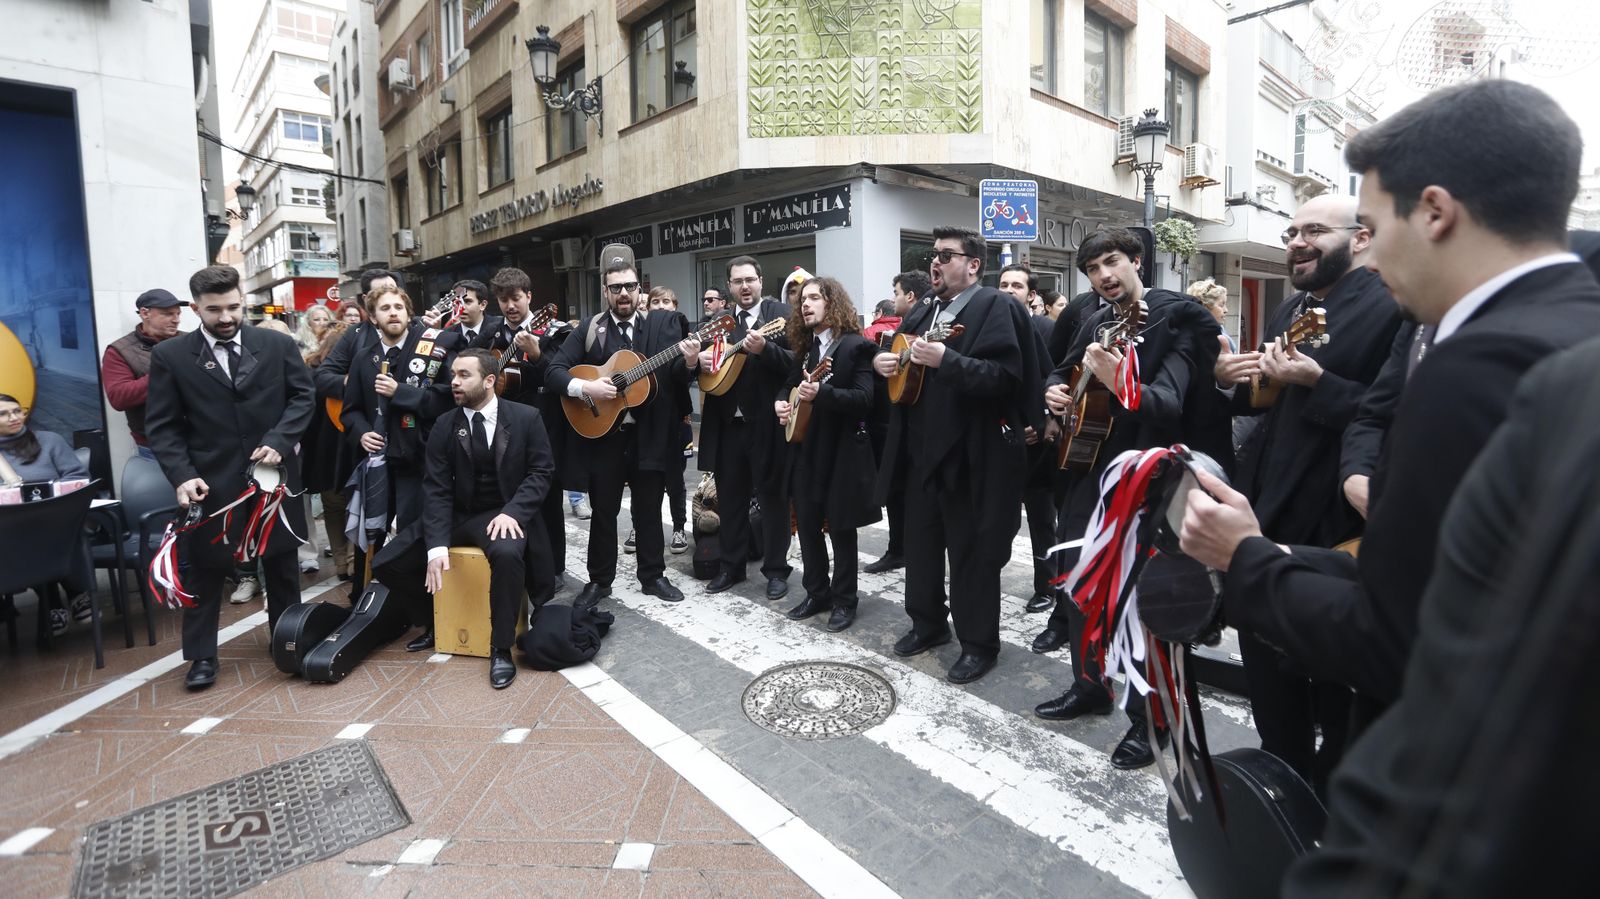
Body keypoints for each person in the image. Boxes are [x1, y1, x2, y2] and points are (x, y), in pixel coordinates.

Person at [1179, 79, 1600, 737]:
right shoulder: (1523, 327)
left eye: (1370, 229)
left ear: (1434, 211)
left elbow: (1398, 634)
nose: (1370, 256)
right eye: (1291, 230)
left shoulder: (1480, 360)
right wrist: (1252, 379)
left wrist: (1248, 558)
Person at [1284, 336, 1600, 897]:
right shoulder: (1418, 328)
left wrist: (1251, 563)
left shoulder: (1556, 364)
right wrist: (1358, 475)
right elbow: (1376, 414)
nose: (1377, 260)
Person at [1209, 194, 1404, 793]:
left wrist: (1319, 381)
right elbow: (1270, 400)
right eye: (1292, 230)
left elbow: (1388, 418)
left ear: (1362, 239)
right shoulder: (1292, 307)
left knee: (1333, 683)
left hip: (1335, 521)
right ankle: (1281, 784)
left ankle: (1327, 799)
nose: (1297, 241)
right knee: (1270, 670)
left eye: (1314, 230)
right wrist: (1232, 382)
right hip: (1269, 504)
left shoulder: (1392, 307)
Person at [1030, 228, 1225, 769]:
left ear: (1137, 261)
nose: (1103, 276)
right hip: (1088, 474)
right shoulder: (1095, 321)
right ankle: (1090, 686)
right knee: (1077, 589)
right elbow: (1062, 368)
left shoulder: (1175, 318)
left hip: (1149, 484)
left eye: (1111, 262)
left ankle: (1152, 722)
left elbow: (1169, 401)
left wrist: (1123, 383)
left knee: (1148, 607)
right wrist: (1054, 392)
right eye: (1092, 269)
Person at [872, 227, 1043, 685]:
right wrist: (884, 362)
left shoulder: (996, 306)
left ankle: (978, 643)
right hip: (922, 452)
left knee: (971, 555)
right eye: (934, 255)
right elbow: (898, 357)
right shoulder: (925, 309)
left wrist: (946, 361)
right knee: (921, 548)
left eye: (947, 256)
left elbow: (1007, 377)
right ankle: (927, 624)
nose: (936, 263)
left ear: (973, 265)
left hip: (972, 456)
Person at [144, 265, 314, 690]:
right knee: (205, 569)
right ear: (195, 308)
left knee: (281, 566)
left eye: (233, 307)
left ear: (243, 301)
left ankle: (287, 643)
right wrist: (181, 476)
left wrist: (279, 438)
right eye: (214, 309)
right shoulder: (170, 357)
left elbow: (302, 397)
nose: (225, 317)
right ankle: (201, 657)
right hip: (211, 481)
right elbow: (163, 426)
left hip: (272, 477)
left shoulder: (276, 343)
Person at [547, 259, 689, 607]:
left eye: (629, 286)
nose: (623, 293)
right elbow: (554, 371)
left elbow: (677, 377)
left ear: (640, 289)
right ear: (605, 292)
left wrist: (690, 361)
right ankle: (599, 581)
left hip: (648, 436)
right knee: (604, 510)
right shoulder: (590, 329)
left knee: (649, 509)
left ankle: (652, 575)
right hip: (604, 437)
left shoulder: (660, 326)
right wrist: (586, 388)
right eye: (615, 288)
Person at [423, 349, 555, 689]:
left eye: (464, 375)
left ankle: (500, 648)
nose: (454, 382)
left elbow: (541, 472)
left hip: (504, 513)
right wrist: (436, 546)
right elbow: (436, 489)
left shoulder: (526, 418)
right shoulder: (443, 425)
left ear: (490, 380)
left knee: (509, 554)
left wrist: (513, 512)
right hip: (460, 516)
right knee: (395, 557)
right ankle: (427, 623)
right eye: (453, 374)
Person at [341, 285, 457, 649]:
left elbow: (446, 398)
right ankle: (374, 608)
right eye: (384, 308)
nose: (393, 313)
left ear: (409, 313)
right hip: (378, 463)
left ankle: (430, 619)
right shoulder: (363, 358)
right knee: (371, 538)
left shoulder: (433, 348)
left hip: (418, 461)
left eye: (398, 307)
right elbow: (351, 411)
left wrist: (402, 393)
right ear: (372, 317)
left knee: (412, 541)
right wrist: (361, 435)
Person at [773, 277, 879, 631]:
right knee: (806, 526)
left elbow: (864, 399)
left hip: (842, 454)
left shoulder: (855, 347)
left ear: (832, 303)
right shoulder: (806, 350)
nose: (805, 305)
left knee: (841, 530)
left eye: (814, 298)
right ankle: (816, 591)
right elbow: (789, 384)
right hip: (805, 452)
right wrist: (781, 403)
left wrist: (822, 394)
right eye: (803, 299)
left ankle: (845, 600)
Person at [686, 256, 795, 600]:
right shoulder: (718, 323)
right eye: (737, 281)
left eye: (750, 279)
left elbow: (796, 365)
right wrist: (696, 361)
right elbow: (700, 370)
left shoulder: (780, 317)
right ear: (729, 287)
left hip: (766, 427)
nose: (745, 286)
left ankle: (776, 571)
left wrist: (766, 350)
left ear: (761, 281)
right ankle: (730, 567)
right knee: (730, 501)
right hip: (727, 428)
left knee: (773, 500)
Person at [0, 393, 93, 635]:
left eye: (16, 411)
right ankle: (63, 595)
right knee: (19, 538)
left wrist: (51, 494)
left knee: (48, 532)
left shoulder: (49, 440)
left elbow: (78, 478)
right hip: (9, 527)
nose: (13, 417)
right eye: (3, 414)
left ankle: (56, 601)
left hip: (57, 518)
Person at [997, 263, 1060, 614]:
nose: (1008, 290)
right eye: (1003, 283)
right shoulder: (988, 326)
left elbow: (1056, 377)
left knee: (1040, 520)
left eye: (1017, 286)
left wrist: (1047, 420)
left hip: (1037, 445)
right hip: (999, 442)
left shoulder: (1045, 328)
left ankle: (1046, 587)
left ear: (1031, 294)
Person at [862, 270, 928, 575]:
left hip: (910, 425)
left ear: (910, 296)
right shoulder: (900, 331)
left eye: (897, 292)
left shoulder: (925, 325)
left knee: (909, 493)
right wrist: (879, 358)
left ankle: (908, 550)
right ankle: (898, 548)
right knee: (896, 492)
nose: (893, 298)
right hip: (894, 421)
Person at [102, 288, 188, 458]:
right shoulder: (119, 350)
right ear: (144, 313)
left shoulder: (191, 341)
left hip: (204, 441)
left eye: (178, 314)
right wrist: (166, 372)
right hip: (156, 447)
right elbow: (119, 397)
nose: (176, 320)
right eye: (168, 314)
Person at [301, 319, 354, 580]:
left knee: (333, 508)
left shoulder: (310, 371)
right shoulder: (347, 376)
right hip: (346, 449)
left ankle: (342, 562)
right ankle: (354, 561)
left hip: (321, 454)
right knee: (355, 505)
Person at [647, 286, 692, 555]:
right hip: (645, 417)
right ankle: (640, 526)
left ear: (675, 306)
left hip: (675, 418)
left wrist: (690, 359)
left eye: (667, 301)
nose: (662, 306)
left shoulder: (683, 334)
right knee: (646, 480)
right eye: (656, 302)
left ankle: (678, 527)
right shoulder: (641, 334)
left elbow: (685, 376)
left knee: (675, 478)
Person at [1186, 279, 1235, 352]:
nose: (1226, 310)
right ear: (1205, 307)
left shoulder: (1220, 329)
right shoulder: (1194, 338)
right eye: (1221, 305)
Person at [447, 279, 498, 348]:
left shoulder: (500, 327)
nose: (460, 307)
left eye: (467, 301)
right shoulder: (447, 334)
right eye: (457, 302)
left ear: (483, 305)